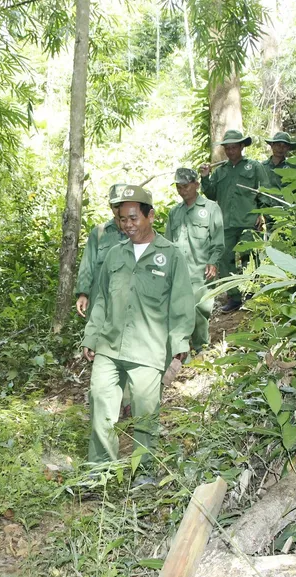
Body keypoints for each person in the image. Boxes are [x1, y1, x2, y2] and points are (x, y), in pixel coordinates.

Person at [81, 185, 195, 463]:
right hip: (109, 344)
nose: (127, 225)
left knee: (145, 413)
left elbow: (181, 303)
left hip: (148, 349)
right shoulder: (114, 255)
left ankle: (144, 470)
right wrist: (91, 336)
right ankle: (101, 470)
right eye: (122, 219)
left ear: (150, 216)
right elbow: (102, 301)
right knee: (100, 401)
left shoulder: (171, 255)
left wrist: (179, 347)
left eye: (133, 218)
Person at [200, 129, 270, 312]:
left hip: (249, 221)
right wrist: (205, 177)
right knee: (225, 259)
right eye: (227, 148)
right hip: (226, 223)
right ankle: (234, 297)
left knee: (251, 257)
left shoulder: (254, 167)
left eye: (234, 148)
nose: (230, 151)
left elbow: (265, 192)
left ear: (241, 147)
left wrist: (261, 213)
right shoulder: (220, 171)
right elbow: (211, 194)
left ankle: (253, 294)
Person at [166, 168, 225, 352]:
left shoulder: (210, 209)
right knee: (179, 312)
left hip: (201, 271)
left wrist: (213, 261)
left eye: (185, 186)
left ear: (196, 185)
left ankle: (202, 348)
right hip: (179, 272)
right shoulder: (174, 213)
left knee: (200, 312)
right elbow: (168, 244)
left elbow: (218, 241)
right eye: (178, 187)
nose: (182, 190)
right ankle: (181, 351)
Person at [75, 183, 128, 318]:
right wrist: (83, 294)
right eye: (116, 206)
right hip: (101, 301)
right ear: (110, 206)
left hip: (128, 302)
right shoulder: (99, 233)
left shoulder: (138, 232)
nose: (120, 210)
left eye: (124, 205)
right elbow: (87, 265)